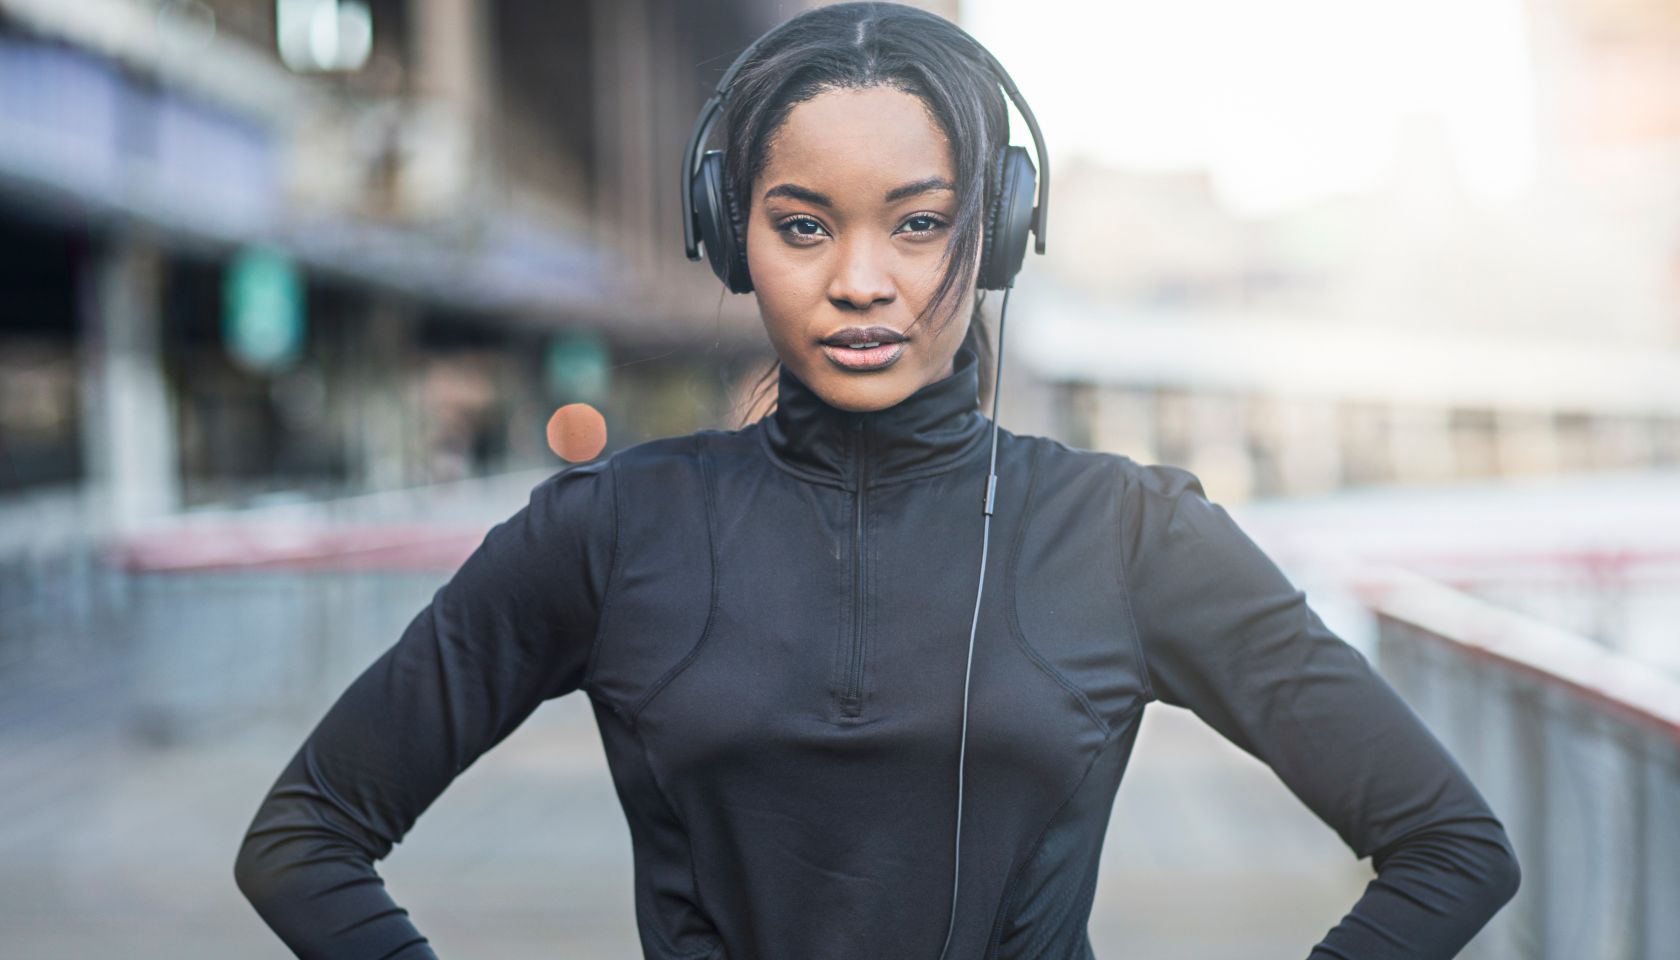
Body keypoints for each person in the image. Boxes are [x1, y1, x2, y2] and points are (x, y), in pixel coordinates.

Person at [233, 4, 1521, 958]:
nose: (862, 279)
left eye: (920, 222)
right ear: (731, 238)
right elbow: (303, 840)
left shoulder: (1129, 535)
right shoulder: (610, 529)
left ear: (998, 234)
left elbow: (1453, 851)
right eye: (803, 225)